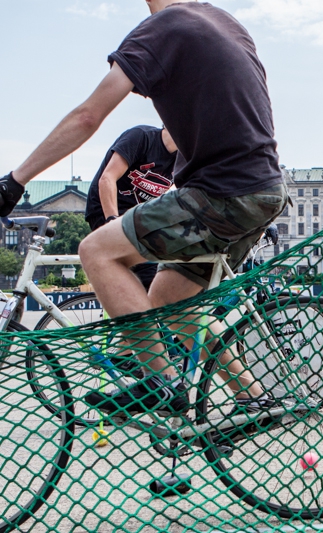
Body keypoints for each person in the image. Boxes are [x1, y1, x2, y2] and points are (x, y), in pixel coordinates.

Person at [0, 0, 288, 418]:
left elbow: (86, 116)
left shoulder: (163, 27)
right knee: (173, 303)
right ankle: (253, 397)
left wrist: (15, 180)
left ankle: (159, 381)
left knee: (96, 251)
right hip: (264, 189)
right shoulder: (224, 21)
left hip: (220, 192)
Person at [84, 125, 178, 290]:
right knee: (150, 273)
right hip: (106, 209)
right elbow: (107, 178)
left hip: (139, 218)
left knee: (171, 272)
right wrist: (112, 222)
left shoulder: (182, 158)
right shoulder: (141, 137)